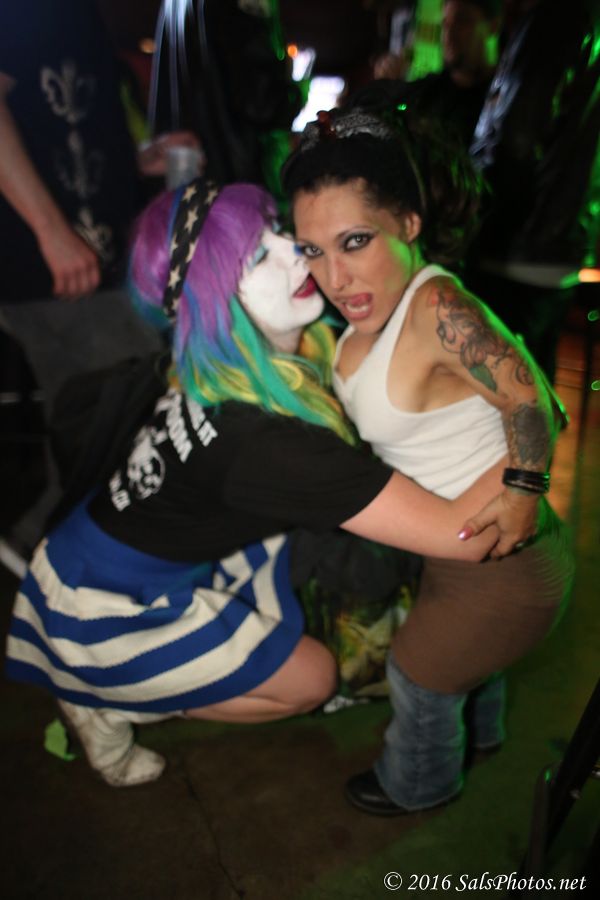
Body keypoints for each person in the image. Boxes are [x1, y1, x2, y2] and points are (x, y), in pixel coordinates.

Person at [6, 178, 519, 789]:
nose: (293, 250)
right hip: (102, 605)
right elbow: (466, 535)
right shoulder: (269, 444)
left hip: (103, 549)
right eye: (256, 256)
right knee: (312, 680)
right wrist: (529, 418)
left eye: (276, 230)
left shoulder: (219, 363)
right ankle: (105, 701)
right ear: (213, 304)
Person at [282, 104, 574, 815]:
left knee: (417, 672)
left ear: (410, 223)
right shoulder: (366, 316)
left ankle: (421, 784)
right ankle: (483, 738)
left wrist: (523, 489)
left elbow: (534, 398)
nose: (335, 276)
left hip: (507, 567)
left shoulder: (435, 304)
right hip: (453, 558)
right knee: (463, 660)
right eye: (312, 250)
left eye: (355, 241)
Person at [0, 0, 199, 574]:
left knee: (103, 412)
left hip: (87, 264)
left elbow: (63, 131)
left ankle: (50, 546)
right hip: (50, 270)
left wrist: (141, 159)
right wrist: (51, 231)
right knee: (131, 406)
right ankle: (50, 550)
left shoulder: (79, 17)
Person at [465, 0, 600, 381]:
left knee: (494, 387)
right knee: (534, 386)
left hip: (516, 244)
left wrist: (473, 220)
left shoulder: (555, 18)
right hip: (560, 243)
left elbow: (518, 138)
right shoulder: (586, 19)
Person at [356, 0, 501, 147]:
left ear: (493, 26)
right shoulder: (427, 93)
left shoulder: (503, 95)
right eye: (445, 24)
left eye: (462, 22)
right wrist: (388, 89)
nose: (449, 34)